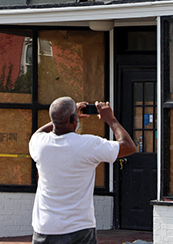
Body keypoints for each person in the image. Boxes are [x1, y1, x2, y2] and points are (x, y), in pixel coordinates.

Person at [29, 97, 136, 244]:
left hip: (45, 228)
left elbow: (38, 133)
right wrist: (110, 119)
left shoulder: (39, 144)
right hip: (79, 229)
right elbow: (129, 146)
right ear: (74, 119)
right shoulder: (88, 144)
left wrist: (64, 117)